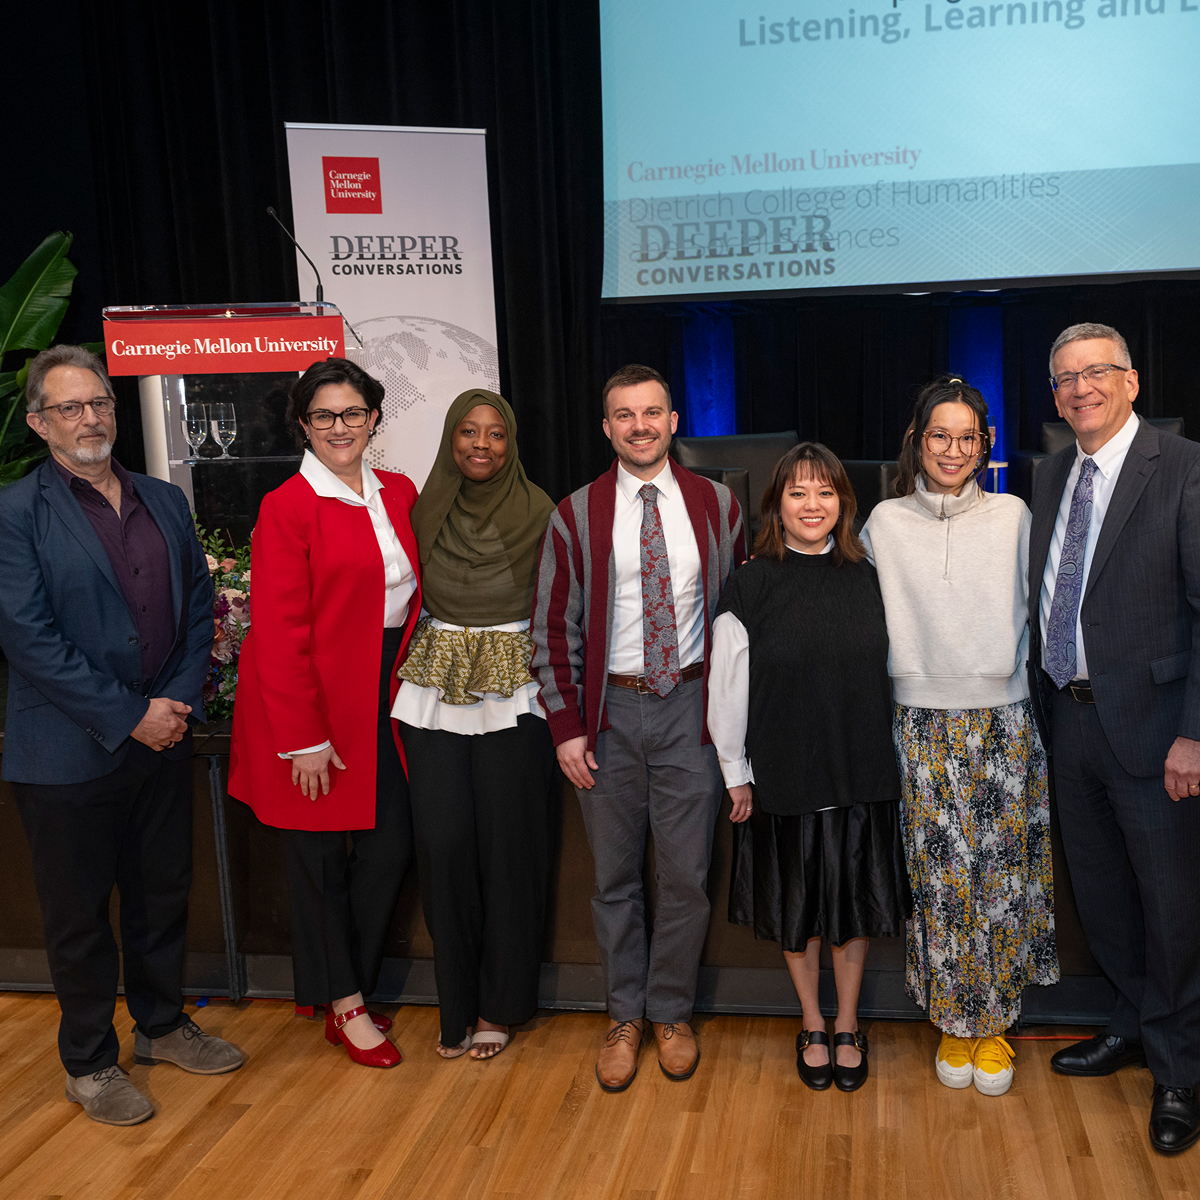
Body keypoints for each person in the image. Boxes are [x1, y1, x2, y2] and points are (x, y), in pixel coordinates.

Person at [0, 345, 242, 1126]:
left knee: (160, 892)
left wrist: (168, 705)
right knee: (77, 915)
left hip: (160, 739)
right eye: (70, 408)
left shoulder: (164, 501)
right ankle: (90, 1062)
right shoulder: (13, 513)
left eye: (99, 402)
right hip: (68, 753)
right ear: (39, 423)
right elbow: (29, 639)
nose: (91, 418)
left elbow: (199, 608)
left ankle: (163, 1025)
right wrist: (126, 714)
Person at [531, 363, 744, 1092]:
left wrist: (737, 733)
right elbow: (552, 628)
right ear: (606, 427)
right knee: (615, 877)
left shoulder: (718, 506)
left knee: (685, 877)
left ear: (674, 420)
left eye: (652, 412)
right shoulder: (575, 512)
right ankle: (624, 1016)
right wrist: (565, 726)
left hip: (691, 709)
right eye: (625, 415)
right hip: (607, 714)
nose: (640, 426)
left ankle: (672, 1013)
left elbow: (739, 628)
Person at [860, 375, 1058, 1098]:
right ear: (916, 441)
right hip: (918, 724)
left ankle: (997, 1023)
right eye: (937, 435)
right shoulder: (881, 523)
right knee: (940, 881)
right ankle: (952, 1018)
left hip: (1003, 720)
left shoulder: (1014, 516)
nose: (951, 449)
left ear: (985, 445)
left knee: (1003, 878)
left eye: (965, 437)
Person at [1029, 323, 1200, 1155]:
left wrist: (1195, 737)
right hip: (1073, 718)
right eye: (1066, 378)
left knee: (1172, 909)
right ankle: (1131, 1023)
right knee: (1101, 897)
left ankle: (1179, 1069)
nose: (1081, 387)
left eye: (1097, 372)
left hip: (1159, 732)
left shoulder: (1187, 468)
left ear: (1132, 382)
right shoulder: (1054, 470)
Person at [228, 356, 420, 1069]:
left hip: (385, 693)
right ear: (303, 425)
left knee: (389, 846)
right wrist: (303, 740)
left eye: (353, 413)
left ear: (374, 418)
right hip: (307, 703)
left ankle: (352, 988)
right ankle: (346, 1004)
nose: (340, 427)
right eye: (323, 415)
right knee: (317, 862)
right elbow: (280, 633)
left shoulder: (399, 491)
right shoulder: (287, 507)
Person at [708, 443, 909, 1093]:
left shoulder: (871, 576)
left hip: (862, 764)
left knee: (852, 907)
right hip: (786, 768)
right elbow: (728, 683)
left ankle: (849, 1022)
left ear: (844, 504)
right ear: (776, 505)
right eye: (797, 493)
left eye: (825, 492)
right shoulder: (751, 581)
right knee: (800, 908)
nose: (812, 505)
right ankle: (812, 1020)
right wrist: (734, 768)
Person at [393, 389, 557, 1061]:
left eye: (494, 433)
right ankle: (455, 1004)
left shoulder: (542, 511)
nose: (481, 445)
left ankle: (501, 1004)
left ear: (511, 441)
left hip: (515, 687)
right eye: (468, 432)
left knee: (509, 851)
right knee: (443, 845)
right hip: (435, 684)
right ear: (449, 440)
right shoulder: (422, 506)